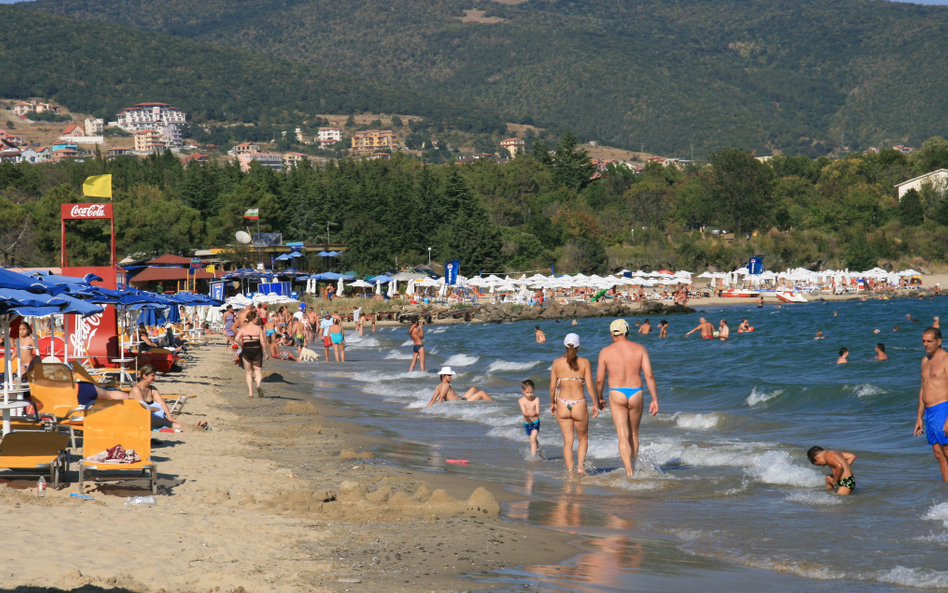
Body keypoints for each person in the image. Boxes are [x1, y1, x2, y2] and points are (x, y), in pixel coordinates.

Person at [595, 319, 658, 477]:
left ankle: (629, 472)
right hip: (636, 391)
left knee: (622, 434)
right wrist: (654, 399)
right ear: (627, 332)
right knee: (634, 434)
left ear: (612, 334)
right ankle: (635, 468)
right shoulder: (640, 349)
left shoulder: (605, 351)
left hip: (616, 392)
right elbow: (649, 375)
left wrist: (599, 397)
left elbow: (599, 380)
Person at [550, 333, 597, 476]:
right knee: (583, 438)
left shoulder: (556, 362)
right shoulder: (585, 362)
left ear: (564, 346)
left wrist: (552, 402)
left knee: (567, 441)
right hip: (579, 404)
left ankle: (570, 471)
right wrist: (595, 403)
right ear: (578, 347)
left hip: (562, 403)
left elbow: (552, 387)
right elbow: (589, 386)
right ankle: (580, 468)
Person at [914, 328, 948, 480]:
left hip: (943, 408)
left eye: (929, 341)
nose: (925, 344)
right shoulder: (925, 361)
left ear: (939, 342)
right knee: (938, 454)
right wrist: (919, 418)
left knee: (947, 450)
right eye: (923, 341)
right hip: (929, 412)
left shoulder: (946, 360)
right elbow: (923, 389)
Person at [130, 364, 207, 430]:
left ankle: (192, 426)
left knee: (171, 420)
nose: (155, 377)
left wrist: (170, 416)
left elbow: (162, 403)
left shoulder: (152, 389)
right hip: (139, 418)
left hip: (149, 415)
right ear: (144, 376)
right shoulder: (136, 389)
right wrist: (156, 409)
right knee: (165, 421)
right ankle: (190, 427)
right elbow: (142, 408)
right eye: (153, 375)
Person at [235, 309, 268, 398]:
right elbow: (263, 341)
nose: (258, 319)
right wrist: (266, 352)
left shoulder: (243, 329)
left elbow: (236, 339)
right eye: (257, 317)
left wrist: (243, 344)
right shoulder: (258, 328)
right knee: (258, 370)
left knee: (249, 372)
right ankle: (258, 385)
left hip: (246, 349)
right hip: (257, 349)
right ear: (253, 318)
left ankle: (250, 392)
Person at [425, 366, 493, 407]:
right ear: (443, 376)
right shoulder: (446, 385)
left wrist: (426, 409)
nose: (451, 377)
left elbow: (433, 399)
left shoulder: (439, 386)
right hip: (461, 403)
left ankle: (480, 404)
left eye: (451, 375)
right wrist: (438, 410)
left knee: (473, 388)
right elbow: (440, 399)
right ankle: (494, 404)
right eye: (449, 375)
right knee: (482, 392)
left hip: (461, 400)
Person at [518, 379, 541, 457]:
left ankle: (533, 458)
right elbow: (524, 412)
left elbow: (538, 411)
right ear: (523, 391)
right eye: (527, 392)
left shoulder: (536, 399)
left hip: (535, 422)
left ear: (534, 390)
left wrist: (535, 414)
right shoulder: (521, 400)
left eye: (531, 392)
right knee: (534, 440)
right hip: (526, 423)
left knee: (532, 440)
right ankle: (540, 453)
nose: (530, 394)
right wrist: (528, 414)